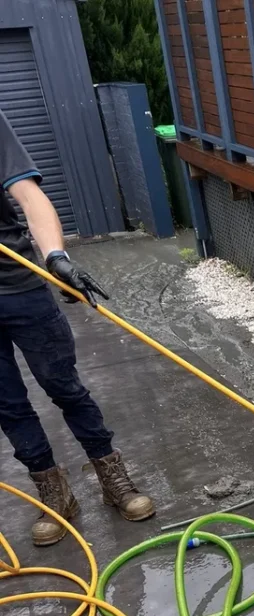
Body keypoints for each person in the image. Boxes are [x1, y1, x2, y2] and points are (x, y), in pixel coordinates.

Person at [0, 108, 154, 545]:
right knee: (7, 404)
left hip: (19, 285)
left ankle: (112, 477)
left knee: (64, 386)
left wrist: (55, 257)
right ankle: (55, 495)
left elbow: (29, 196)